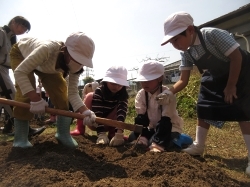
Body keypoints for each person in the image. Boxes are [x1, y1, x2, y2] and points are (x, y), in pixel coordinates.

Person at [160, 11, 250, 174]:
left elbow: (237, 57)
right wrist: (169, 92)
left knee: (243, 112)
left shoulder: (213, 35)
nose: (175, 45)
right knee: (203, 106)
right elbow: (183, 80)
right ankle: (198, 146)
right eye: (172, 42)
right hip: (217, 74)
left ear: (190, 30)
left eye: (176, 39)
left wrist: (231, 85)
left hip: (241, 71)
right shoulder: (186, 52)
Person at [10, 31, 96, 148]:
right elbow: (20, 72)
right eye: (76, 58)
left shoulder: (76, 67)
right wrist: (35, 99)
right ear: (65, 50)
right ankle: (20, 139)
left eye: (82, 62)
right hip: (22, 54)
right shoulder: (47, 50)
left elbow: (72, 93)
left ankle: (62, 133)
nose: (78, 64)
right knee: (25, 94)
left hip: (45, 67)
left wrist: (86, 111)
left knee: (61, 92)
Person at [128, 60, 192, 152]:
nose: (145, 83)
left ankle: (182, 138)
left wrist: (157, 144)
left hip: (169, 127)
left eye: (148, 80)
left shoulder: (168, 94)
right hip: (152, 128)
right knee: (133, 137)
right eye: (143, 80)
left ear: (160, 78)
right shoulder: (141, 94)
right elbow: (141, 119)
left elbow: (166, 120)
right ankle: (149, 140)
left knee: (161, 143)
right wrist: (141, 136)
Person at [0, 16, 45, 136]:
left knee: (4, 99)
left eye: (26, 29)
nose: (23, 30)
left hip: (5, 69)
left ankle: (8, 127)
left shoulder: (12, 39)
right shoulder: (1, 33)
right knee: (12, 96)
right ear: (14, 22)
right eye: (23, 26)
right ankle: (25, 129)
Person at [74, 65, 129, 146]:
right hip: (93, 121)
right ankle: (80, 129)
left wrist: (119, 132)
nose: (116, 87)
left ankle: (113, 133)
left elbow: (121, 114)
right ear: (106, 81)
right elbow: (97, 112)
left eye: (120, 85)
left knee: (120, 107)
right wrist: (101, 134)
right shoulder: (99, 91)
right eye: (113, 83)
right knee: (89, 96)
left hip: (111, 123)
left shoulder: (122, 95)